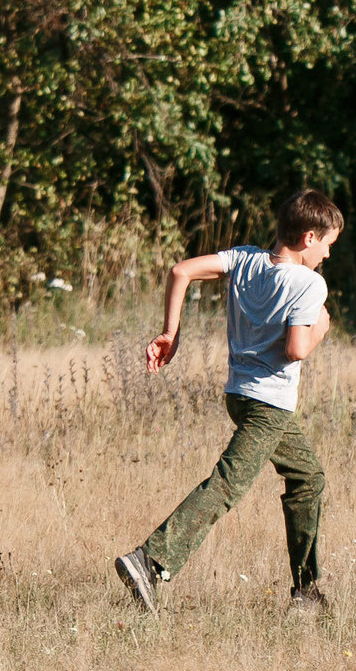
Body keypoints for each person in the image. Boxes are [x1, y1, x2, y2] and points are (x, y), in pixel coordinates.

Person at [116, 190, 344, 615]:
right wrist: (322, 328)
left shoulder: (245, 259)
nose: (328, 254)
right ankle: (150, 561)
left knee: (308, 477)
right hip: (269, 405)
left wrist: (171, 332)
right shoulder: (310, 284)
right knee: (226, 485)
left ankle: (306, 592)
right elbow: (296, 349)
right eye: (328, 244)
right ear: (309, 237)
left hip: (238, 396)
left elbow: (180, 271)